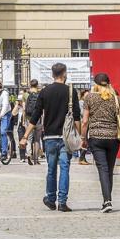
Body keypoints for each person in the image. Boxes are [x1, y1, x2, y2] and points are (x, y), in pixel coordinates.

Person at [21, 62, 82, 212]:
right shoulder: (70, 91)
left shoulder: (45, 92)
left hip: (49, 137)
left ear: (52, 74)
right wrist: (79, 136)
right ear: (64, 74)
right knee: (65, 168)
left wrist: (25, 136)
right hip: (65, 137)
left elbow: (35, 116)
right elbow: (76, 117)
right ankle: (62, 202)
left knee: (51, 169)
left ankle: (50, 198)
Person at [80, 72, 120, 212]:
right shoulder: (116, 98)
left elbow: (84, 121)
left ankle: (107, 201)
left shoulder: (89, 98)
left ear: (95, 84)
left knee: (102, 169)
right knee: (109, 170)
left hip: (96, 137)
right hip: (113, 138)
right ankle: (108, 199)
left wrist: (83, 138)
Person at [22, 79, 43, 165]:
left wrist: (23, 120)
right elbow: (43, 109)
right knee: (37, 139)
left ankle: (28, 155)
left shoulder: (26, 95)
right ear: (37, 85)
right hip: (38, 119)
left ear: (30, 85)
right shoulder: (40, 95)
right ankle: (36, 158)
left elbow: (24, 109)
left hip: (28, 119)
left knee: (29, 138)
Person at [77, 89, 91, 166]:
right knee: (83, 140)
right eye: (86, 96)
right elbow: (82, 113)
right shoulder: (81, 103)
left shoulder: (85, 103)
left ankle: (83, 158)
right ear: (82, 96)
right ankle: (81, 158)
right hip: (83, 124)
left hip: (86, 123)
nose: (88, 97)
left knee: (85, 141)